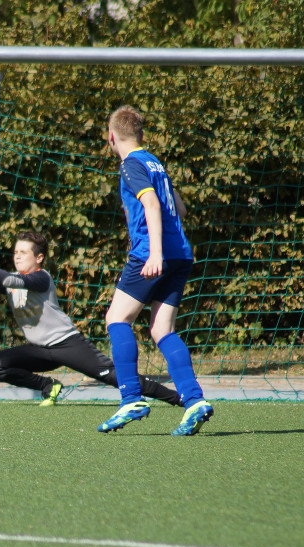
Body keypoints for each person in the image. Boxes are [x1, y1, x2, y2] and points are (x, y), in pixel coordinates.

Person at [0, 229, 182, 408]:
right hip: (39, 350)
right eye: (16, 251)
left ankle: (178, 399)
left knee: (116, 377)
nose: (17, 255)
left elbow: (10, 281)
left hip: (67, 344)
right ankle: (48, 385)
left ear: (39, 258)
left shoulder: (40, 277)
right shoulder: (11, 278)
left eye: (23, 252)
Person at [98, 104, 213, 436]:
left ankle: (131, 398)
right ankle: (194, 401)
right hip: (181, 254)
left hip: (153, 253)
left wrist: (155, 253)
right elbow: (180, 206)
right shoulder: (155, 162)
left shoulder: (130, 164)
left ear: (111, 137)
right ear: (142, 134)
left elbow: (150, 204)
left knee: (116, 319)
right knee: (162, 328)